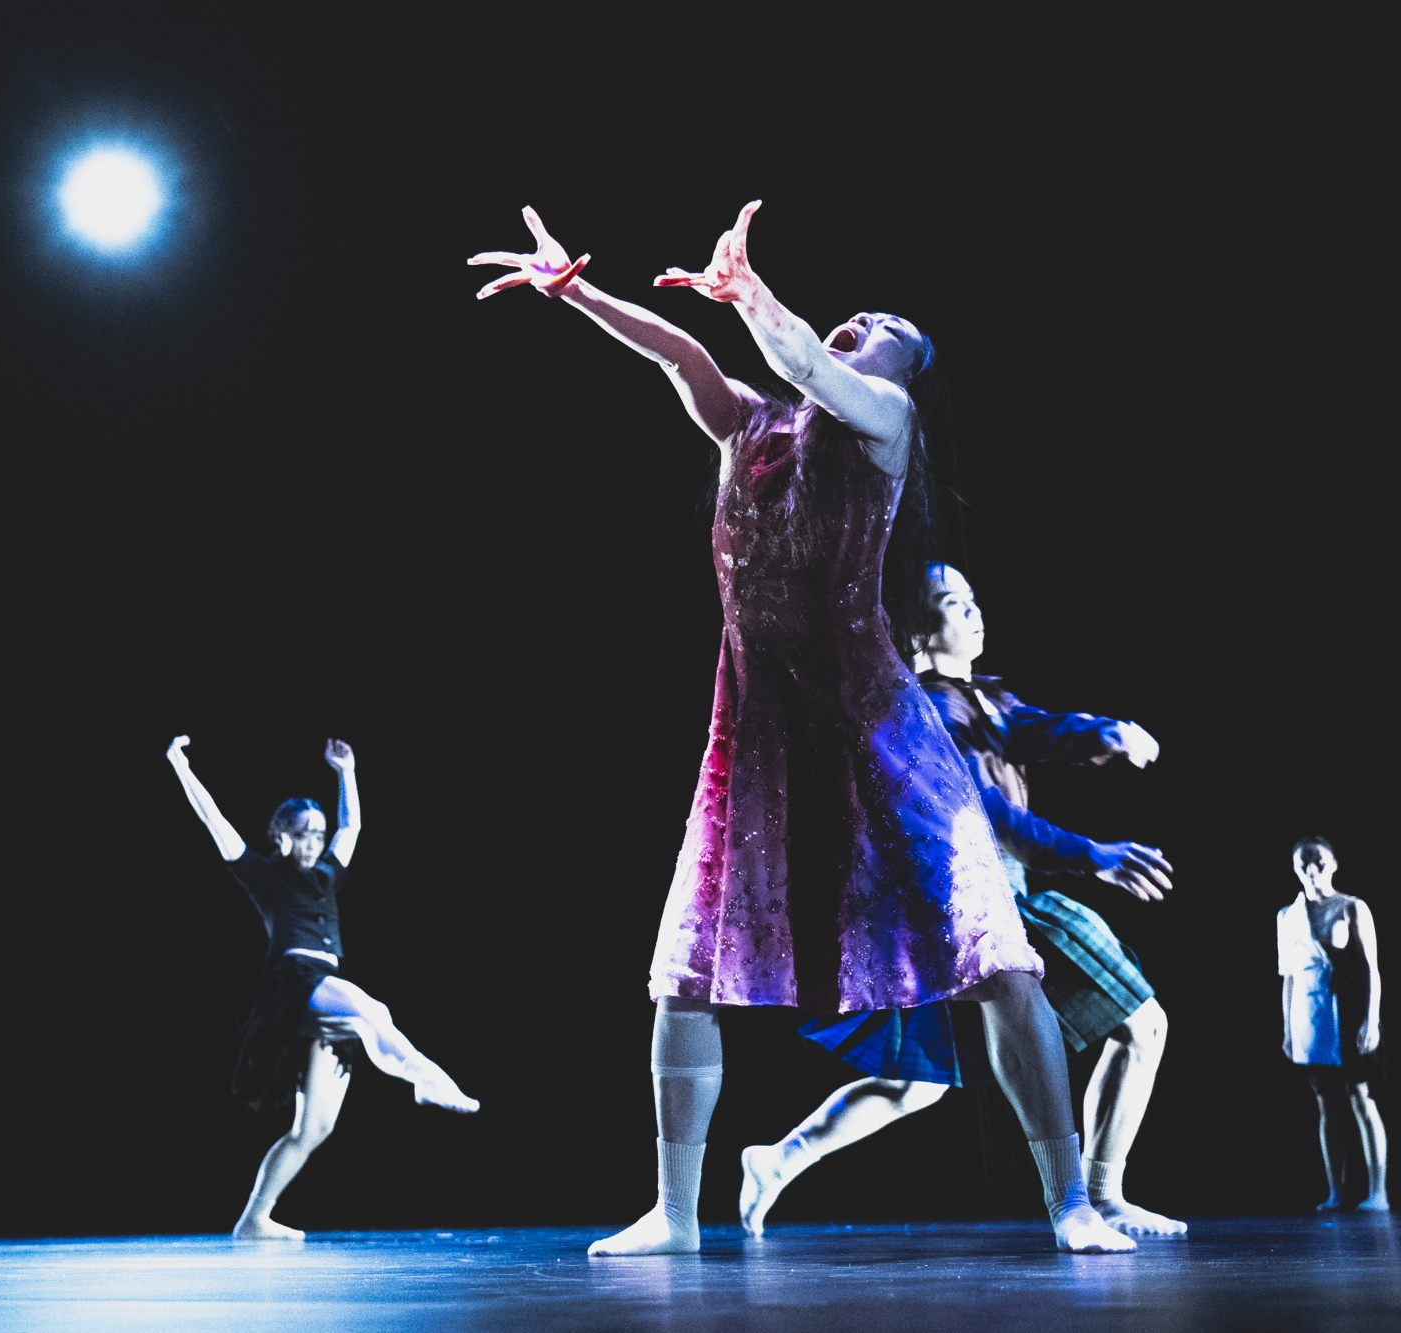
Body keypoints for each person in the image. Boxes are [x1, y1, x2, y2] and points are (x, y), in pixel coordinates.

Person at [469, 205, 1132, 1254]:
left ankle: (1072, 1203)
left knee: (999, 961)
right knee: (685, 967)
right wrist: (577, 292)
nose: (861, 321)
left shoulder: (886, 424)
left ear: (903, 373)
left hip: (884, 740)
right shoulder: (754, 426)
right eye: (858, 313)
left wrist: (750, 295)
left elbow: (806, 363)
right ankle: (674, 1215)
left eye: (887, 329)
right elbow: (681, 354)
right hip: (762, 743)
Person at [739, 563, 1185, 1238]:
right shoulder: (928, 709)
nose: (975, 612)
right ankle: (1100, 1194)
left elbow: (1029, 727)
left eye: (974, 597)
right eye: (954, 602)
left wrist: (1105, 732)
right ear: (919, 628)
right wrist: (1093, 854)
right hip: (982, 904)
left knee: (914, 1081)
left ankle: (778, 1159)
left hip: (961, 908)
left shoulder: (978, 698)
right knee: (1142, 1023)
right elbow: (992, 815)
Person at [165, 735, 478, 1240]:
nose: (313, 843)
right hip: (295, 984)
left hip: (321, 995)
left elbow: (351, 827)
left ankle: (253, 1220)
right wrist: (180, 765)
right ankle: (425, 1078)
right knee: (372, 1011)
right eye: (302, 834)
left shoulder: (328, 875)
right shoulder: (263, 874)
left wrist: (346, 772)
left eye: (317, 834)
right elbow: (212, 818)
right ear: (281, 837)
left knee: (313, 1128)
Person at [1280, 836, 1387, 1211]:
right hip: (1310, 1016)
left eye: (1319, 862)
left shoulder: (1352, 907)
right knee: (1326, 1102)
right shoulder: (1288, 916)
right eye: (1304, 863)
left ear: (1334, 865)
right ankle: (1335, 1192)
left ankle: (1378, 1192)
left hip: (1349, 1010)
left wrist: (1371, 1020)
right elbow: (1288, 976)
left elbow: (1372, 969)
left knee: (1361, 1097)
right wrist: (1288, 1030)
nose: (1312, 870)